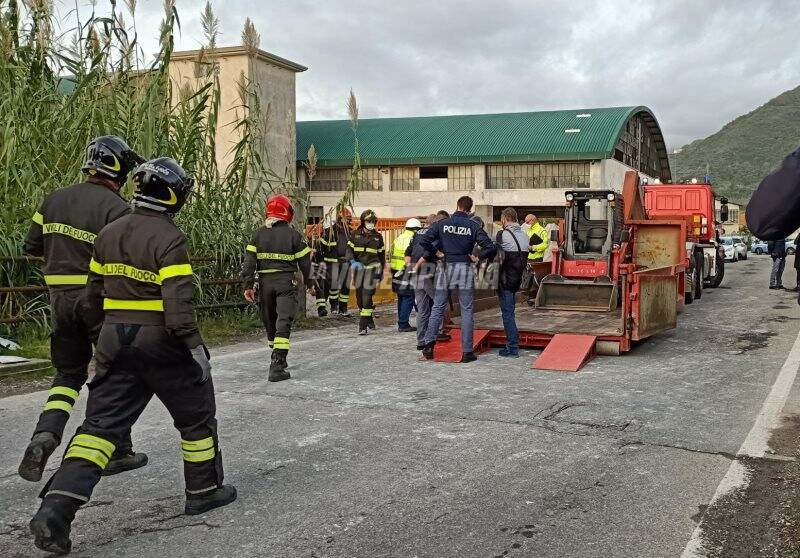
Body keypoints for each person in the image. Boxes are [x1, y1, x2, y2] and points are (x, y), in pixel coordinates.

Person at [29, 158, 236, 555]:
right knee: (196, 417)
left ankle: (56, 509)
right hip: (161, 341)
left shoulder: (107, 233)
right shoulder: (169, 238)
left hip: (113, 339)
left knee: (99, 428)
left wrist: (106, 339)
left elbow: (92, 297)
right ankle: (204, 490)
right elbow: (177, 302)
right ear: (174, 194)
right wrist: (195, 349)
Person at [19, 136, 147, 483]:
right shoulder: (117, 209)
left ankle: (44, 436)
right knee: (115, 372)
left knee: (67, 375)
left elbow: (31, 245)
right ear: (117, 169)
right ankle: (116, 449)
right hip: (98, 300)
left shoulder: (53, 199)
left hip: (59, 300)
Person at [418, 196, 496, 363]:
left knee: (438, 307)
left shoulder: (442, 224)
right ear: (469, 210)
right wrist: (477, 257)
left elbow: (424, 240)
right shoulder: (473, 226)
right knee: (467, 310)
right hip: (464, 267)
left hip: (445, 266)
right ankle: (467, 352)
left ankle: (428, 348)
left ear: (457, 206)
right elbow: (490, 247)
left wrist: (437, 253)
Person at [242, 195, 312, 381]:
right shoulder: (294, 235)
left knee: (270, 322)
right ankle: (277, 364)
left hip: (265, 284)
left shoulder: (257, 234)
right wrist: (311, 283)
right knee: (284, 321)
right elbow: (305, 264)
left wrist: (248, 285)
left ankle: (277, 356)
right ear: (287, 212)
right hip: (285, 283)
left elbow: (248, 263)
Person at [494, 208, 529, 358]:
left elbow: (494, 254)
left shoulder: (503, 235)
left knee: (507, 314)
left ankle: (512, 347)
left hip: (505, 280)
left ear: (504, 219)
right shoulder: (525, 235)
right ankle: (512, 344)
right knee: (510, 312)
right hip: (517, 280)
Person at [348, 209, 385, 335]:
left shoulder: (378, 237)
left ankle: (362, 326)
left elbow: (382, 256)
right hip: (359, 270)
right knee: (360, 299)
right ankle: (369, 320)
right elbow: (349, 250)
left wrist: (381, 273)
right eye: (369, 221)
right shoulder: (354, 234)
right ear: (363, 221)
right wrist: (352, 261)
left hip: (372, 270)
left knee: (367, 297)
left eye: (373, 221)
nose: (371, 223)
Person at [318, 207, 353, 316]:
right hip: (331, 264)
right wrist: (321, 262)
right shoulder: (329, 232)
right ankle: (333, 306)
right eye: (346, 219)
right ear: (339, 219)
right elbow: (320, 249)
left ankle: (343, 308)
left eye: (349, 219)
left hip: (345, 263)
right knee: (332, 286)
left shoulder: (351, 233)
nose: (348, 221)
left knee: (345, 287)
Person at [391, 218, 422, 332]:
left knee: (401, 297)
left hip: (396, 271)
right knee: (409, 297)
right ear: (416, 229)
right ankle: (403, 324)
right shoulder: (412, 238)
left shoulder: (398, 238)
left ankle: (402, 322)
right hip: (406, 271)